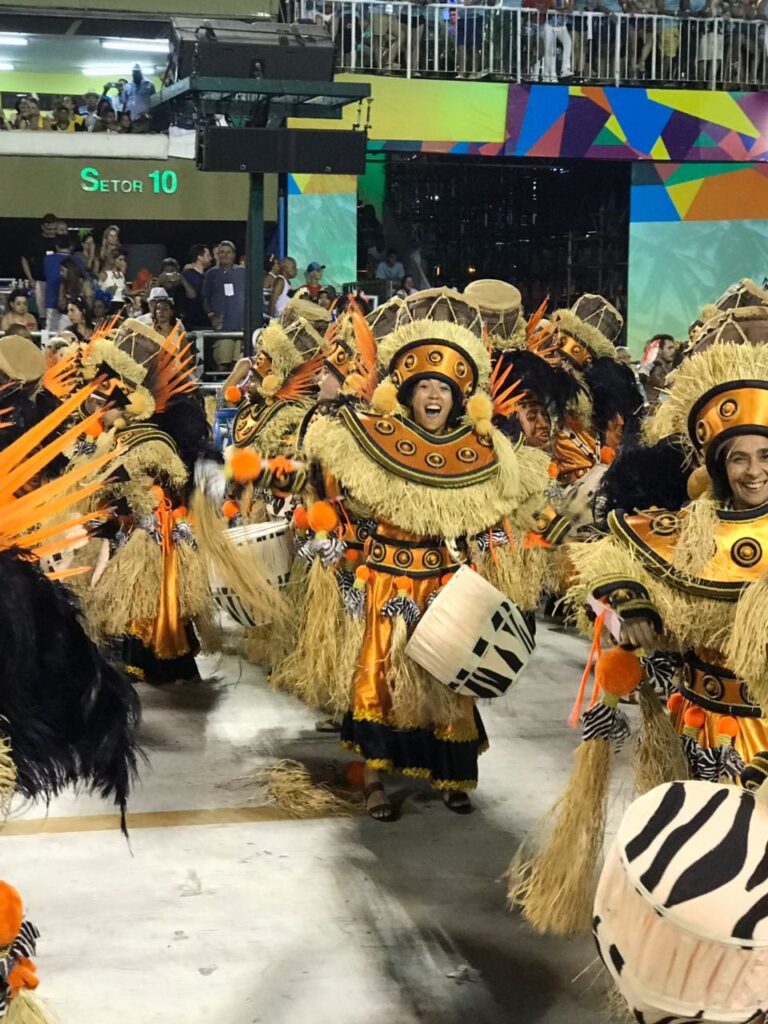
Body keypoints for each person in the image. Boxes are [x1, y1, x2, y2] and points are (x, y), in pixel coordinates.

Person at [202, 241, 247, 332]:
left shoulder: (243, 272)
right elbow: (205, 298)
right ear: (218, 255)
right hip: (221, 325)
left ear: (234, 255)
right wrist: (212, 316)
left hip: (242, 324)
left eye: (228, 252)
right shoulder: (211, 273)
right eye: (222, 252)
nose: (225, 255)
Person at [155, 257, 195, 322]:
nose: (170, 274)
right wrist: (159, 281)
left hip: (181, 322)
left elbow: (193, 295)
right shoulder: (157, 285)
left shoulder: (182, 286)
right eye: (167, 271)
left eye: (172, 271)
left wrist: (182, 279)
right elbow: (146, 298)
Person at [183, 244, 213, 328]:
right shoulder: (188, 275)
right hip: (193, 323)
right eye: (208, 255)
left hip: (206, 321)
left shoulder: (207, 275)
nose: (211, 258)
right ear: (200, 257)